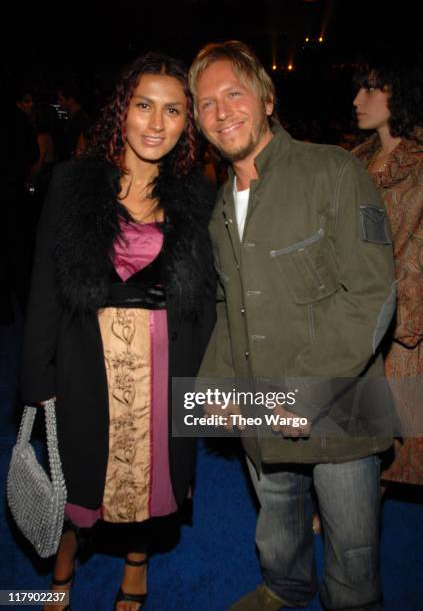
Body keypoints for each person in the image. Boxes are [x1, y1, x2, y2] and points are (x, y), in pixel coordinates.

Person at [189, 40, 396, 611]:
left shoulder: (334, 170)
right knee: (278, 518)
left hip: (342, 402)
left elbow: (374, 296)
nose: (222, 111)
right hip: (261, 401)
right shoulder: (218, 207)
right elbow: (230, 309)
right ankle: (285, 587)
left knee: (353, 549)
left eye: (234, 94)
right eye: (206, 103)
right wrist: (216, 384)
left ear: (267, 97)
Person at [20, 52, 216, 611]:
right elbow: (44, 287)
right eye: (144, 105)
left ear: (187, 123)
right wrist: (38, 375)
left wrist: (198, 384)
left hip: (163, 362)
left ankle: (137, 559)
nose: (156, 124)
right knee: (80, 472)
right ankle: (64, 556)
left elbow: (203, 304)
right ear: (122, 111)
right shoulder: (73, 184)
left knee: (151, 472)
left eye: (173, 110)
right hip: (88, 358)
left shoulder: (198, 200)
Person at [353, 51, 423, 487]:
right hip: (355, 307)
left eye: (371, 88)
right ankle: (356, 495)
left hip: (405, 318)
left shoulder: (420, 163)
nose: (358, 99)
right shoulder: (355, 158)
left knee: (406, 424)